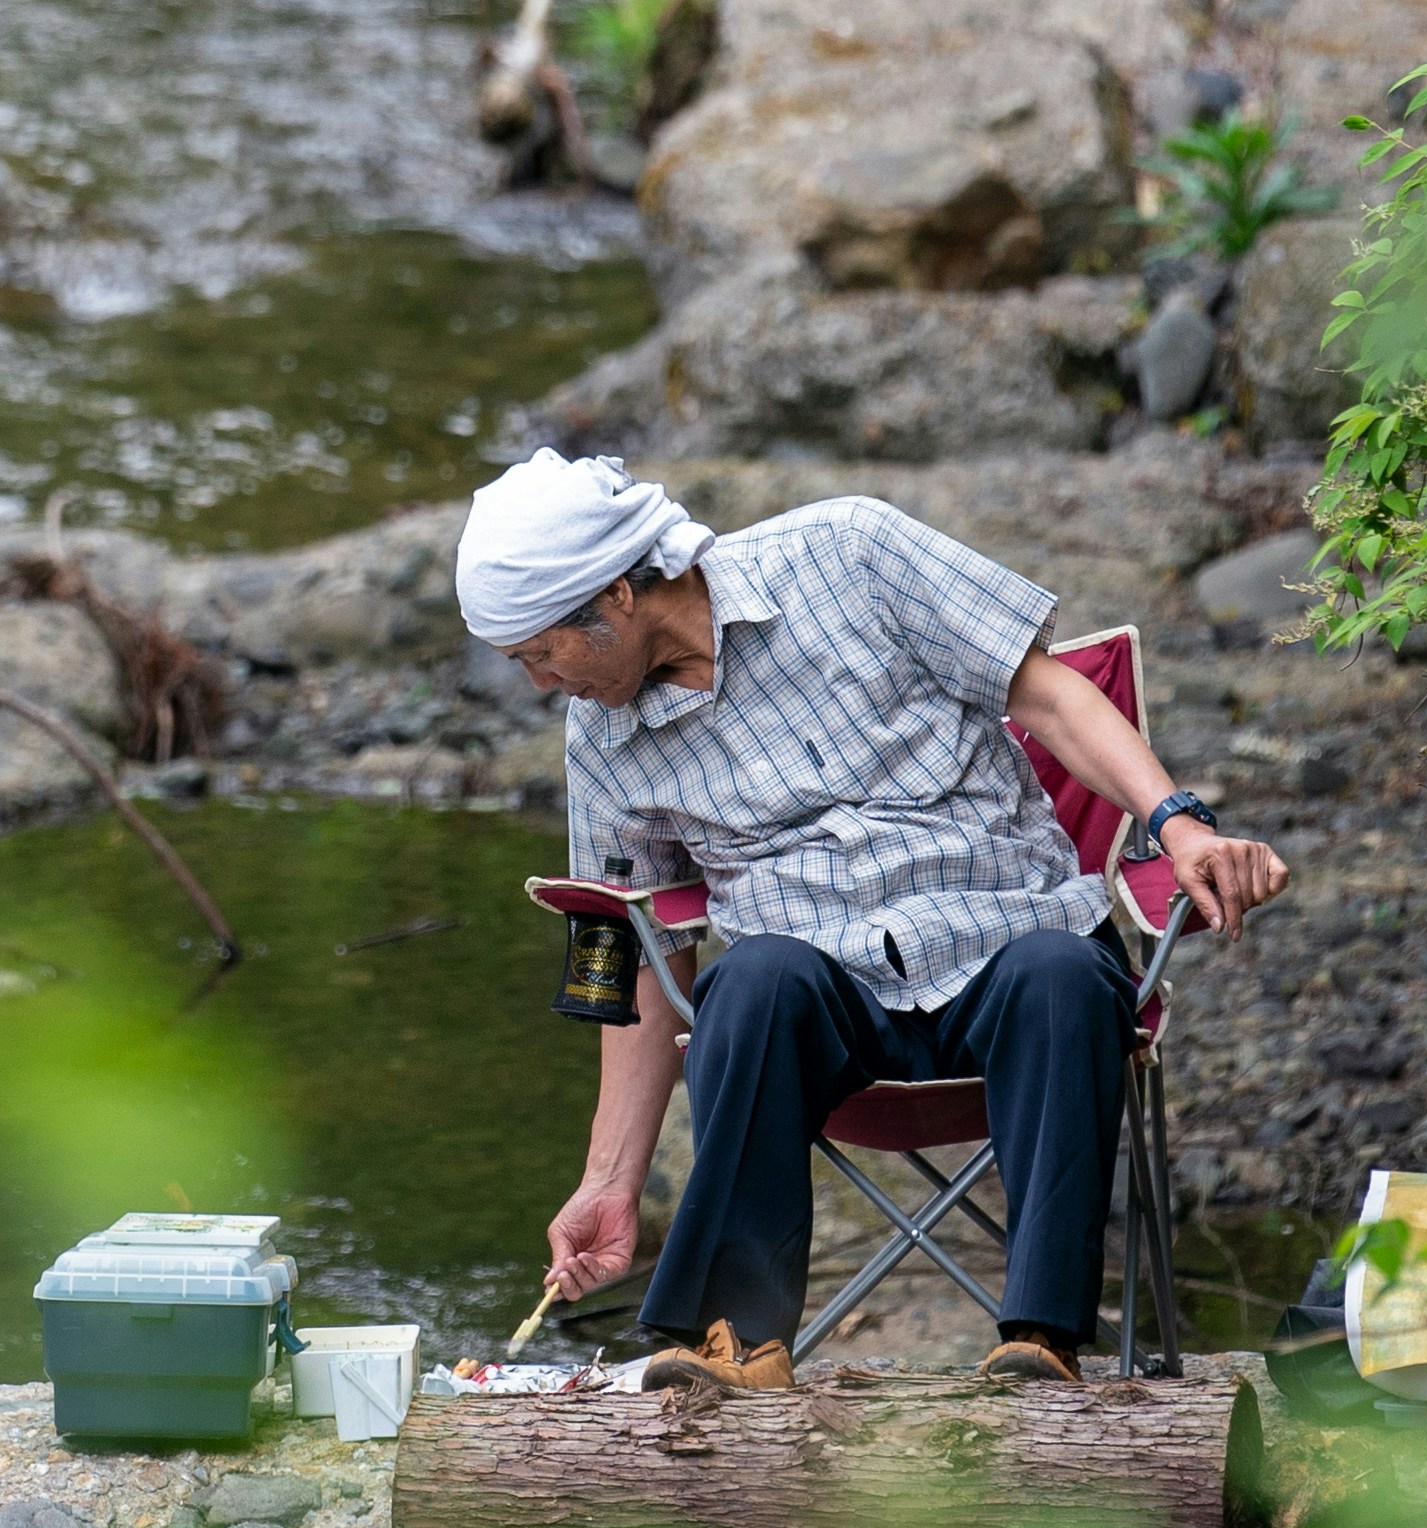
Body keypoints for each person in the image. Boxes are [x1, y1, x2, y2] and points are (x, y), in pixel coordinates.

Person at [461, 450, 1289, 1389]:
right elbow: (627, 948)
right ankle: (734, 1342)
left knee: (1060, 972)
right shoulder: (600, 736)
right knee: (750, 980)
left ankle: (1043, 1345)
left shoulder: (849, 553)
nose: (538, 684)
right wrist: (609, 1182)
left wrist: (1177, 825)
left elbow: (1050, 696)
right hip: (821, 1010)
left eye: (539, 653)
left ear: (613, 596)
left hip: (1007, 946)